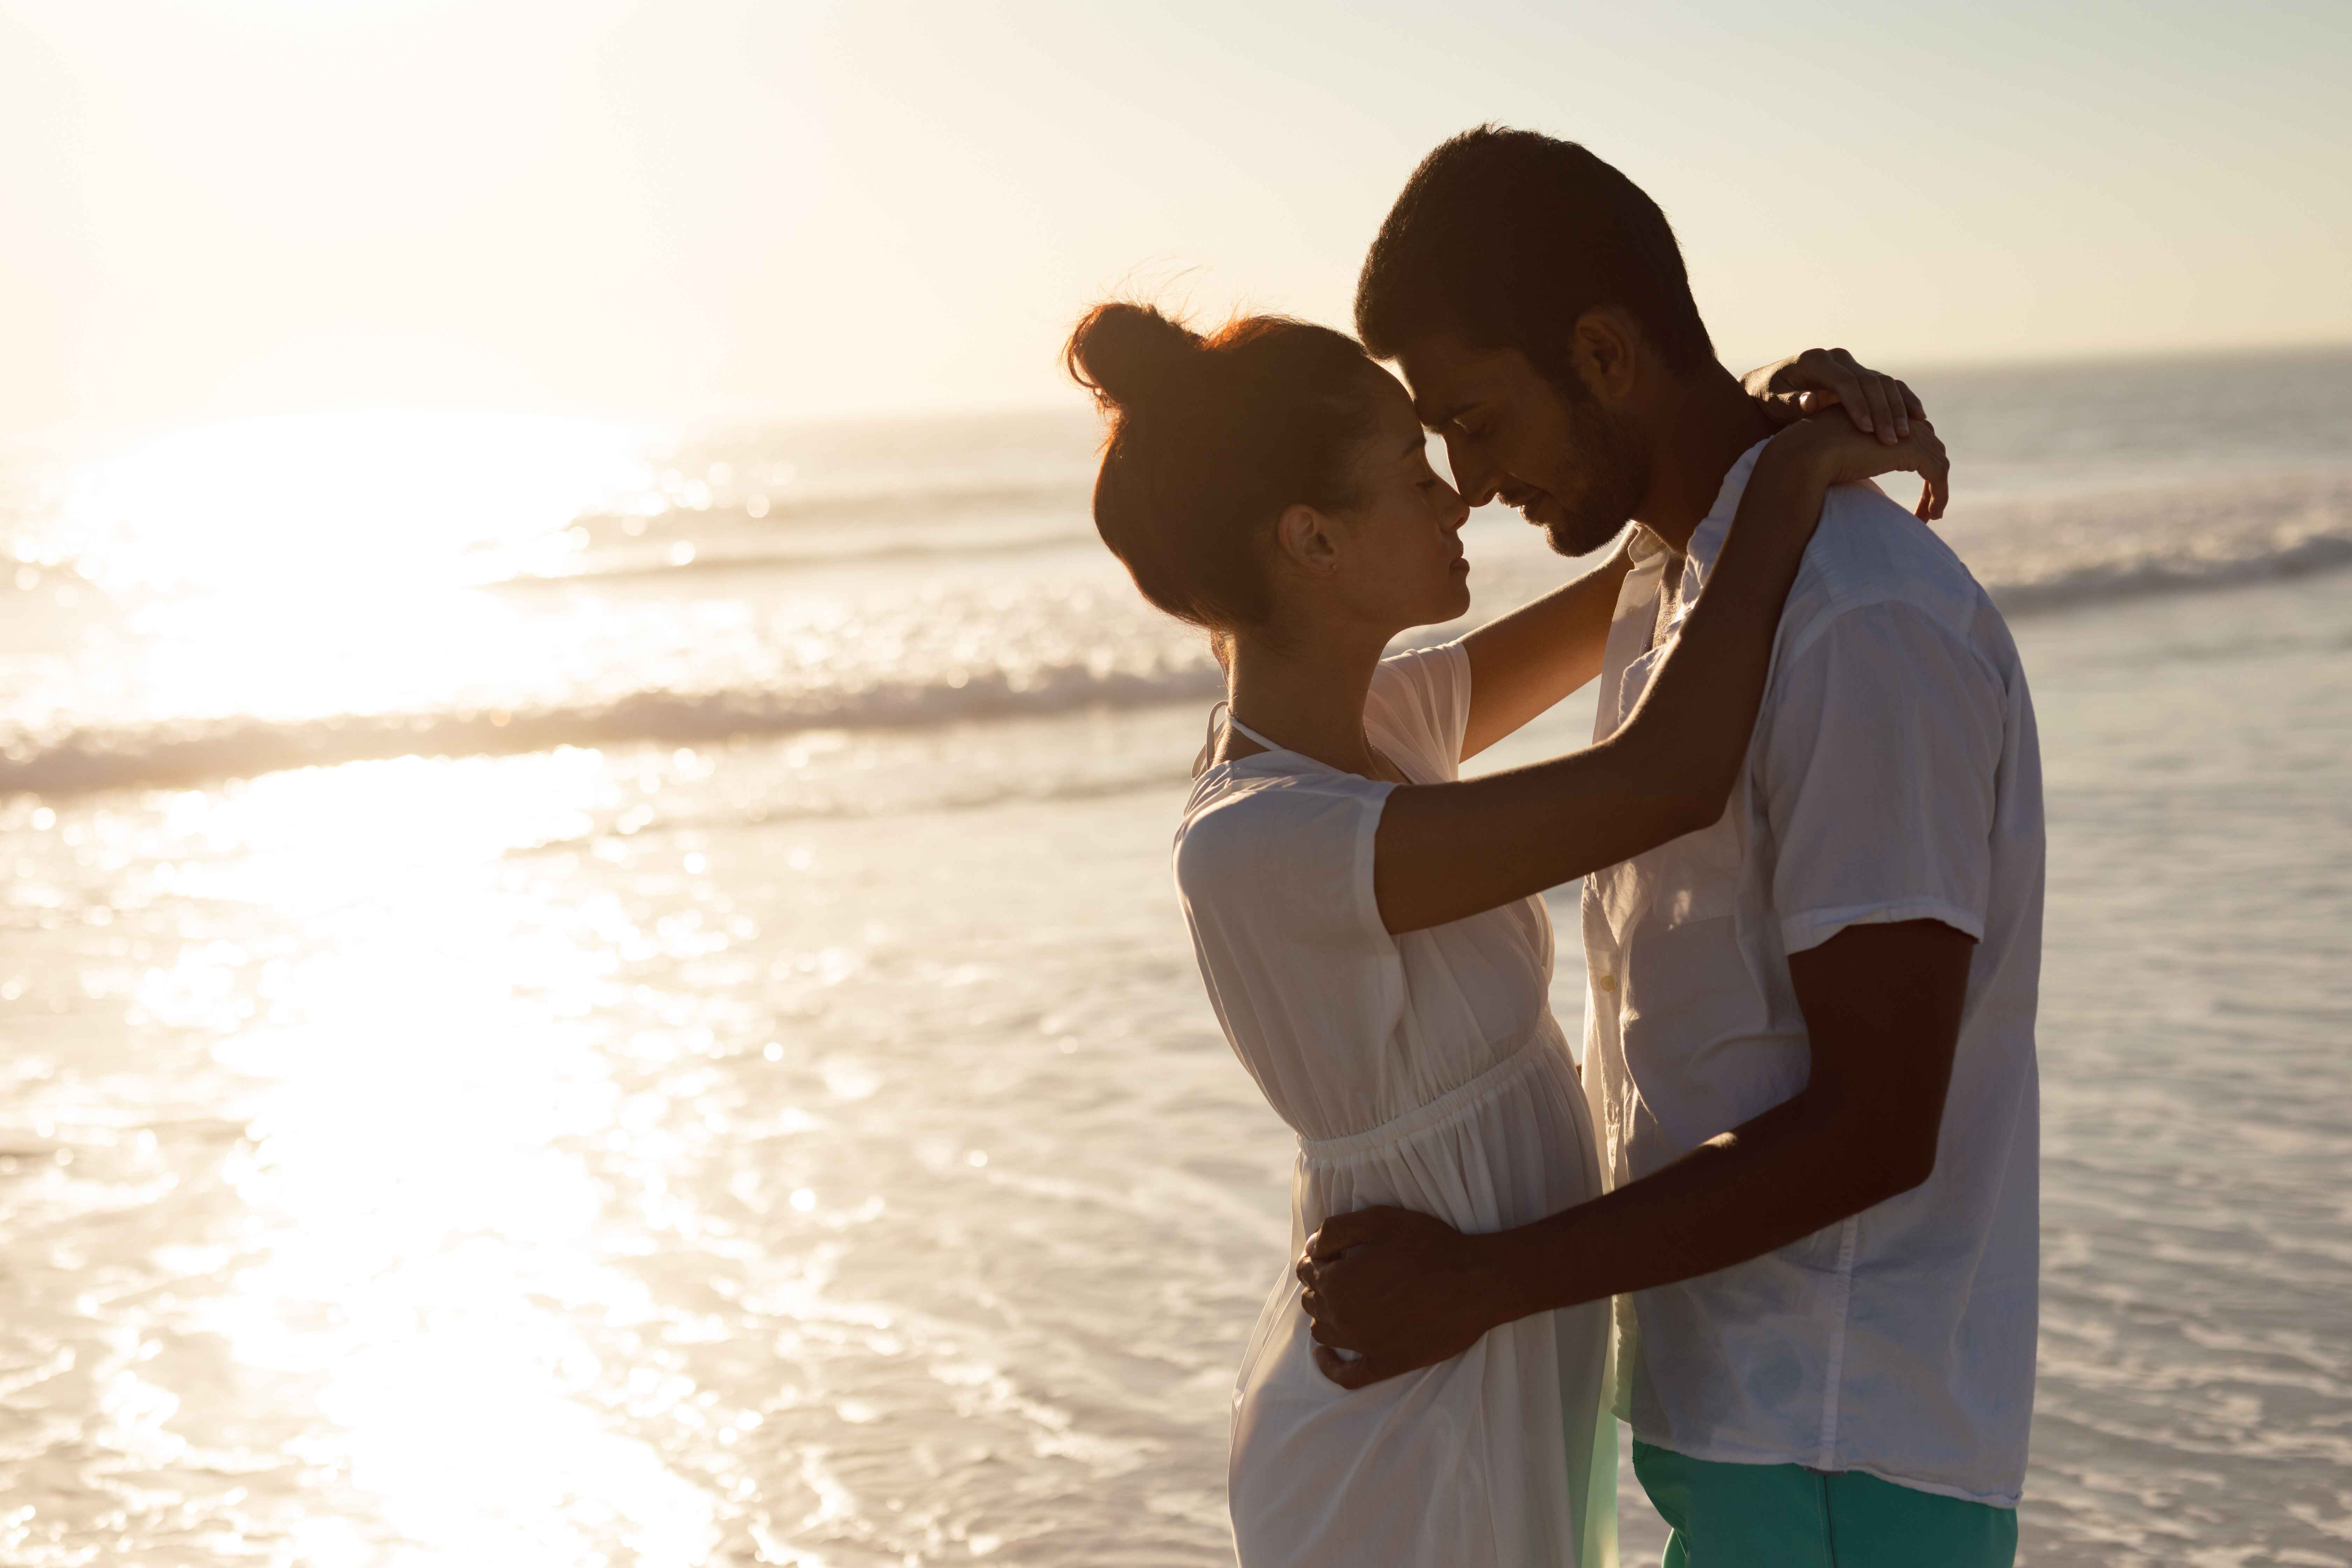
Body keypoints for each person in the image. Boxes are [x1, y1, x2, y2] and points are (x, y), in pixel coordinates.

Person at [1063, 287, 1946, 1565]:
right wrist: (1800, 468)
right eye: (1412, 475)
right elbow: (1663, 779)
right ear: (1310, 538)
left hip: (1494, 1347)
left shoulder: (1385, 730)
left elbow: (1655, 578)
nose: (1457, 497)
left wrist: (1755, 427)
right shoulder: (1258, 842)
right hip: (1410, 1397)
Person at [1298, 127, 2043, 1568]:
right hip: (1735, 1424)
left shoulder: (1857, 622)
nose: (1468, 479)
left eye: (1477, 415)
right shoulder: (1672, 588)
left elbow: (1882, 1120)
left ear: (1601, 351)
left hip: (1844, 1436)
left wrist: (1483, 1283)